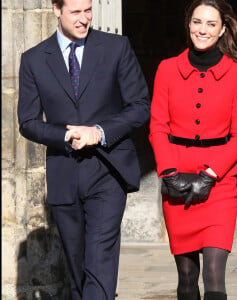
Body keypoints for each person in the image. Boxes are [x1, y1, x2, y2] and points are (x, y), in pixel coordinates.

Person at [17, 0, 150, 299]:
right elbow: (27, 122)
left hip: (108, 171)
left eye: (88, 10)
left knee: (100, 264)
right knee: (77, 273)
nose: (84, 19)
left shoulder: (116, 47)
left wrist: (99, 132)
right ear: (56, 9)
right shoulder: (34, 60)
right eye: (76, 12)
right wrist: (64, 135)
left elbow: (140, 106)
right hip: (64, 173)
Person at [149, 1, 237, 299]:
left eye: (210, 24)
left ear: (222, 29)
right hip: (176, 177)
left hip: (220, 182)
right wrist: (168, 173)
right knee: (186, 277)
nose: (202, 29)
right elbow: (158, 127)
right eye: (197, 22)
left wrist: (209, 175)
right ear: (188, 24)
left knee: (214, 276)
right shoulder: (167, 69)